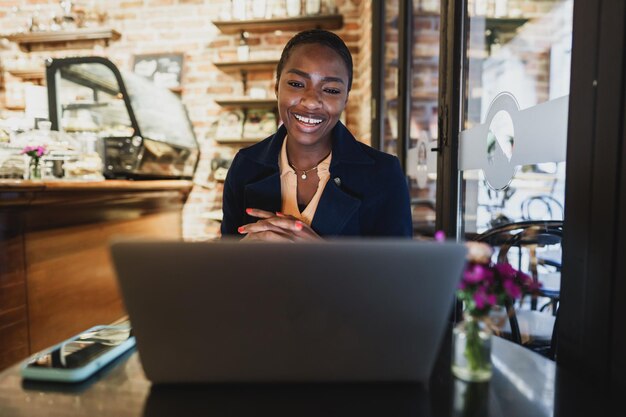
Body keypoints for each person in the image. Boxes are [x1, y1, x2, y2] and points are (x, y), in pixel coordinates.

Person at [221, 29, 412, 241]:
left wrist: (321, 256)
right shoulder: (245, 166)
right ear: (277, 88)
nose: (311, 101)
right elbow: (225, 268)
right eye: (296, 84)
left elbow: (398, 274)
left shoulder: (383, 174)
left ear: (346, 98)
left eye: (331, 90)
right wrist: (241, 254)